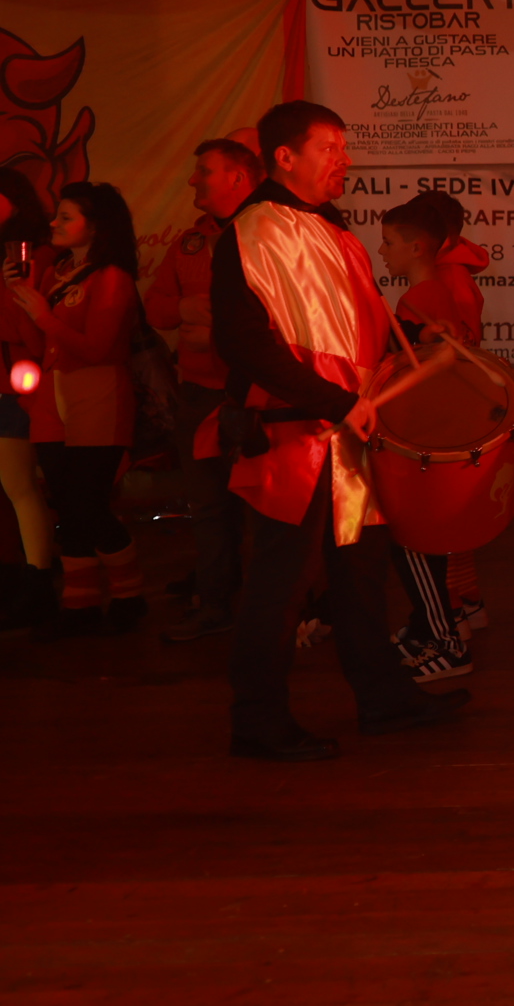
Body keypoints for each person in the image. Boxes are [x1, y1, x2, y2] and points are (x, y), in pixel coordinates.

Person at [213, 102, 467, 760]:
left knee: (359, 573)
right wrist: (335, 401)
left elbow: (351, 328)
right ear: (285, 157)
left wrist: (413, 335)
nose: (344, 160)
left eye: (343, 147)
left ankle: (383, 698)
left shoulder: (334, 230)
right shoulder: (253, 231)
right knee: (280, 583)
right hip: (295, 438)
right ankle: (257, 720)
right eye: (329, 147)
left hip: (343, 432)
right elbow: (244, 344)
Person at [10, 182, 143, 634]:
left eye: (66, 217)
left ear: (96, 226)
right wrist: (23, 298)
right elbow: (37, 345)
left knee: (88, 503)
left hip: (98, 397)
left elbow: (98, 348)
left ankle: (129, 594)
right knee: (67, 505)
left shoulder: (112, 277)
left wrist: (44, 316)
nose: (54, 223)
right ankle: (79, 603)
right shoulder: (57, 271)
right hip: (52, 400)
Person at [146, 140, 261, 642]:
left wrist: (221, 328)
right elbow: (155, 308)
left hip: (257, 396)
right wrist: (187, 308)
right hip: (198, 396)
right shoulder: (189, 243)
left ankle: (278, 610)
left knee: (267, 508)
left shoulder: (271, 236)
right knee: (209, 506)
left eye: (204, 171)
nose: (193, 180)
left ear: (238, 178)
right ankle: (215, 605)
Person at [374, 190, 484, 684]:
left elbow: (429, 373)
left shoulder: (424, 297)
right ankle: (431, 628)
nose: (382, 252)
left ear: (416, 247)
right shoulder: (434, 293)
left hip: (421, 437)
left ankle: (445, 640)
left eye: (388, 242)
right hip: (429, 434)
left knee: (416, 540)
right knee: (418, 542)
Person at [0, 169, 57, 633]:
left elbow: (32, 331)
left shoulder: (32, 256)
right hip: (10, 377)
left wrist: (14, 288)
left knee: (19, 484)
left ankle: (39, 583)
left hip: (17, 380)